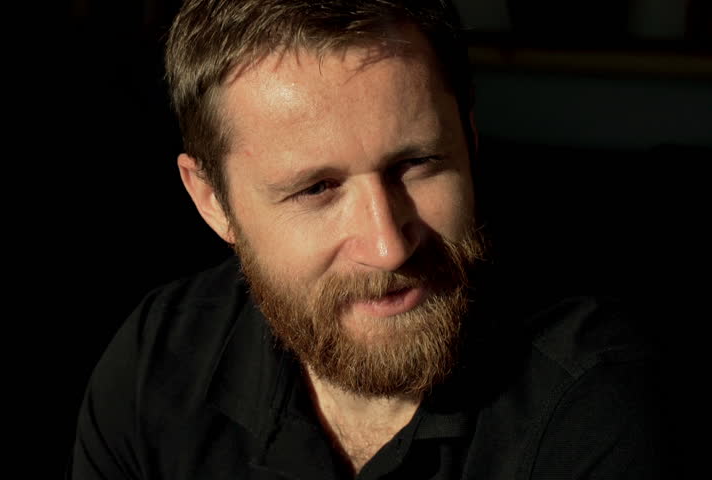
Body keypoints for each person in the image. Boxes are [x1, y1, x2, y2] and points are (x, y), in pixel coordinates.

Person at [69, 0, 671, 478]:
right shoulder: (157, 362)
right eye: (316, 189)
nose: (389, 247)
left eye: (417, 163)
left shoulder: (593, 397)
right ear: (211, 201)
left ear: (470, 140)